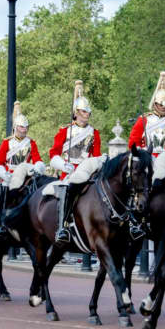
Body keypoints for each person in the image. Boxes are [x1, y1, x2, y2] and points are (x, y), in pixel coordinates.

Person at [49, 80, 102, 245]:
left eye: (88, 112)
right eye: (84, 112)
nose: (87, 115)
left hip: (88, 172)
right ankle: (62, 227)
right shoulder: (65, 131)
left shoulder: (94, 133)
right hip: (69, 172)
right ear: (76, 113)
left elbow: (96, 155)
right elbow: (53, 154)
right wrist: (63, 165)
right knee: (68, 191)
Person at [0, 101, 45, 239]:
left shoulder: (31, 142)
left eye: (26, 127)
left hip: (26, 175)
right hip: (9, 175)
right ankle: (2, 224)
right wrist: (4, 174)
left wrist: (38, 167)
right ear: (16, 127)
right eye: (22, 127)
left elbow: (37, 159)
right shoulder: (7, 143)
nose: (25, 129)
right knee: (1, 194)